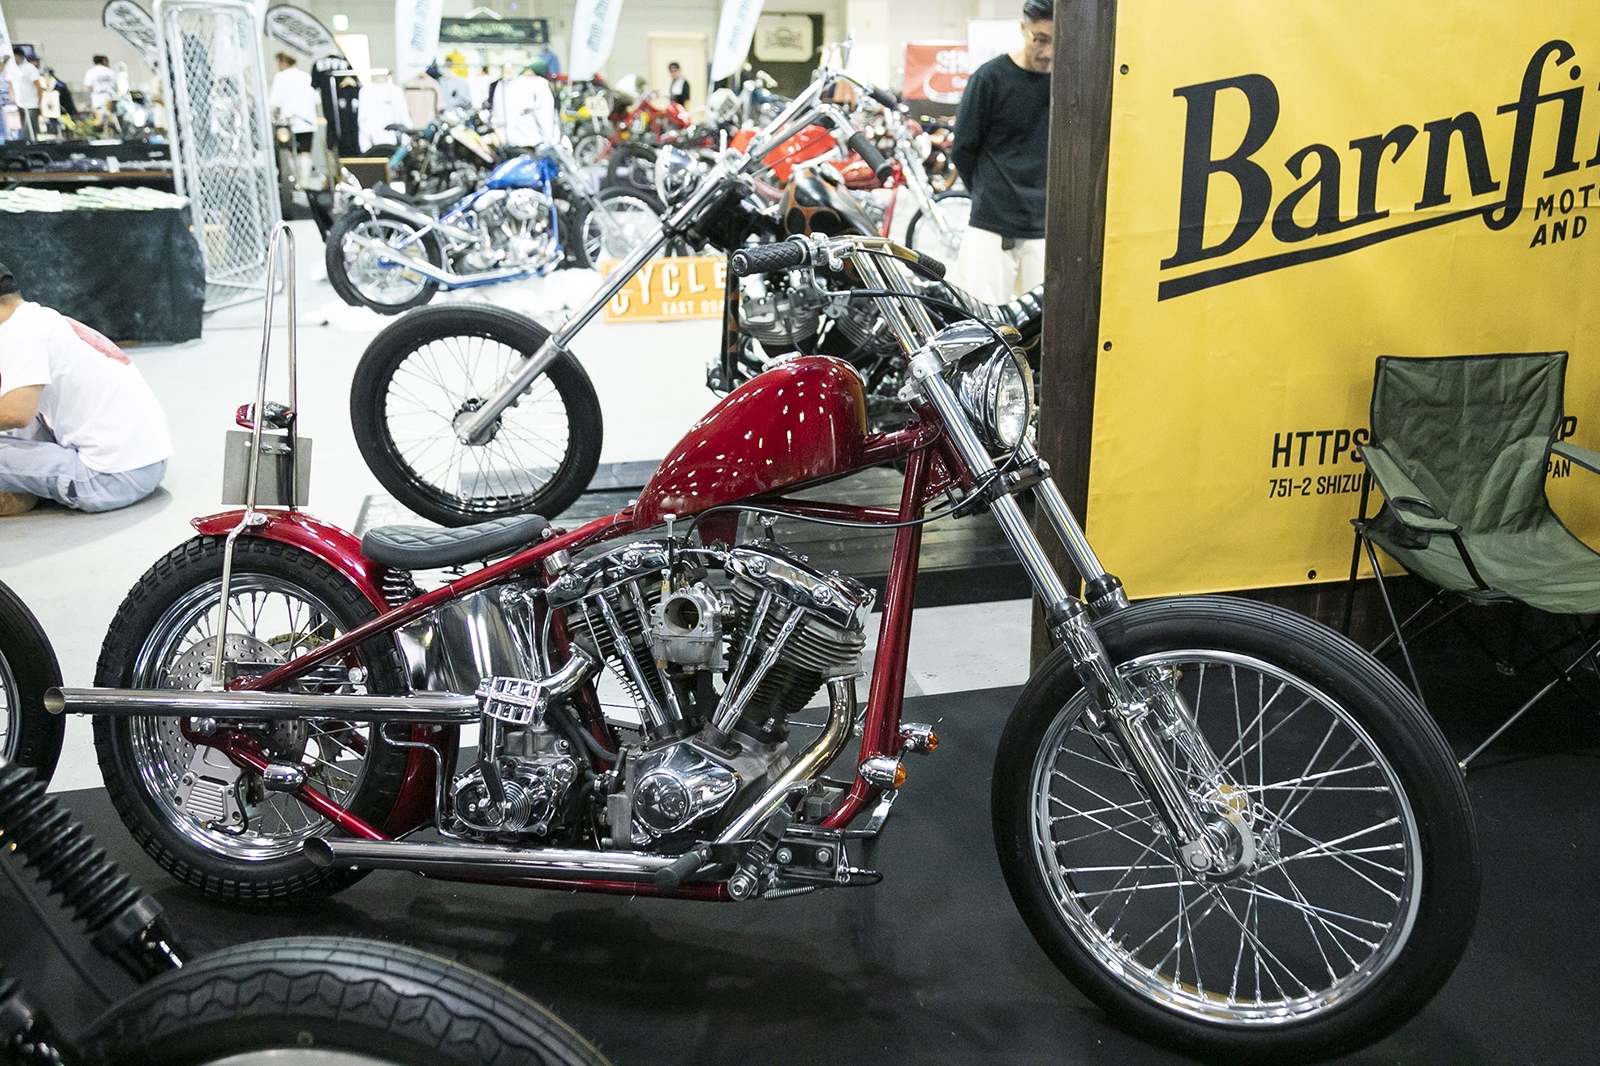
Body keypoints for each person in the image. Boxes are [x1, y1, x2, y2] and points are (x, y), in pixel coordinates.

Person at [0, 263, 171, 516]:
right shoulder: (41, 318)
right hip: (146, 464)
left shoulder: (17, 332)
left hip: (108, 479)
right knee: (32, 405)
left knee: (18, 409)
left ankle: (22, 492)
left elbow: (16, 413)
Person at [949, 0, 1053, 304]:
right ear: (1022, 29)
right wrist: (991, 193)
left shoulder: (1066, 85)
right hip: (991, 227)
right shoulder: (989, 78)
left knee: (1044, 325)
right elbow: (963, 149)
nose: (1047, 52)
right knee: (982, 319)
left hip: (1045, 228)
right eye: (1040, 39)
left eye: (1056, 42)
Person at [269, 52, 318, 187]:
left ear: (282, 62)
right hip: (307, 120)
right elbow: (316, 99)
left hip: (289, 122)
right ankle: (305, 181)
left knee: (290, 151)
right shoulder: (306, 77)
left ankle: (295, 179)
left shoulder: (280, 77)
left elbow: (274, 102)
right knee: (305, 151)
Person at [6, 48, 43, 141]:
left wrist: (39, 102)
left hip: (31, 104)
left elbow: (39, 86)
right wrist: (12, 96)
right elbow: (10, 84)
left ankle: (32, 144)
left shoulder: (29, 68)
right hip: (19, 104)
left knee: (30, 130)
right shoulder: (12, 69)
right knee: (21, 129)